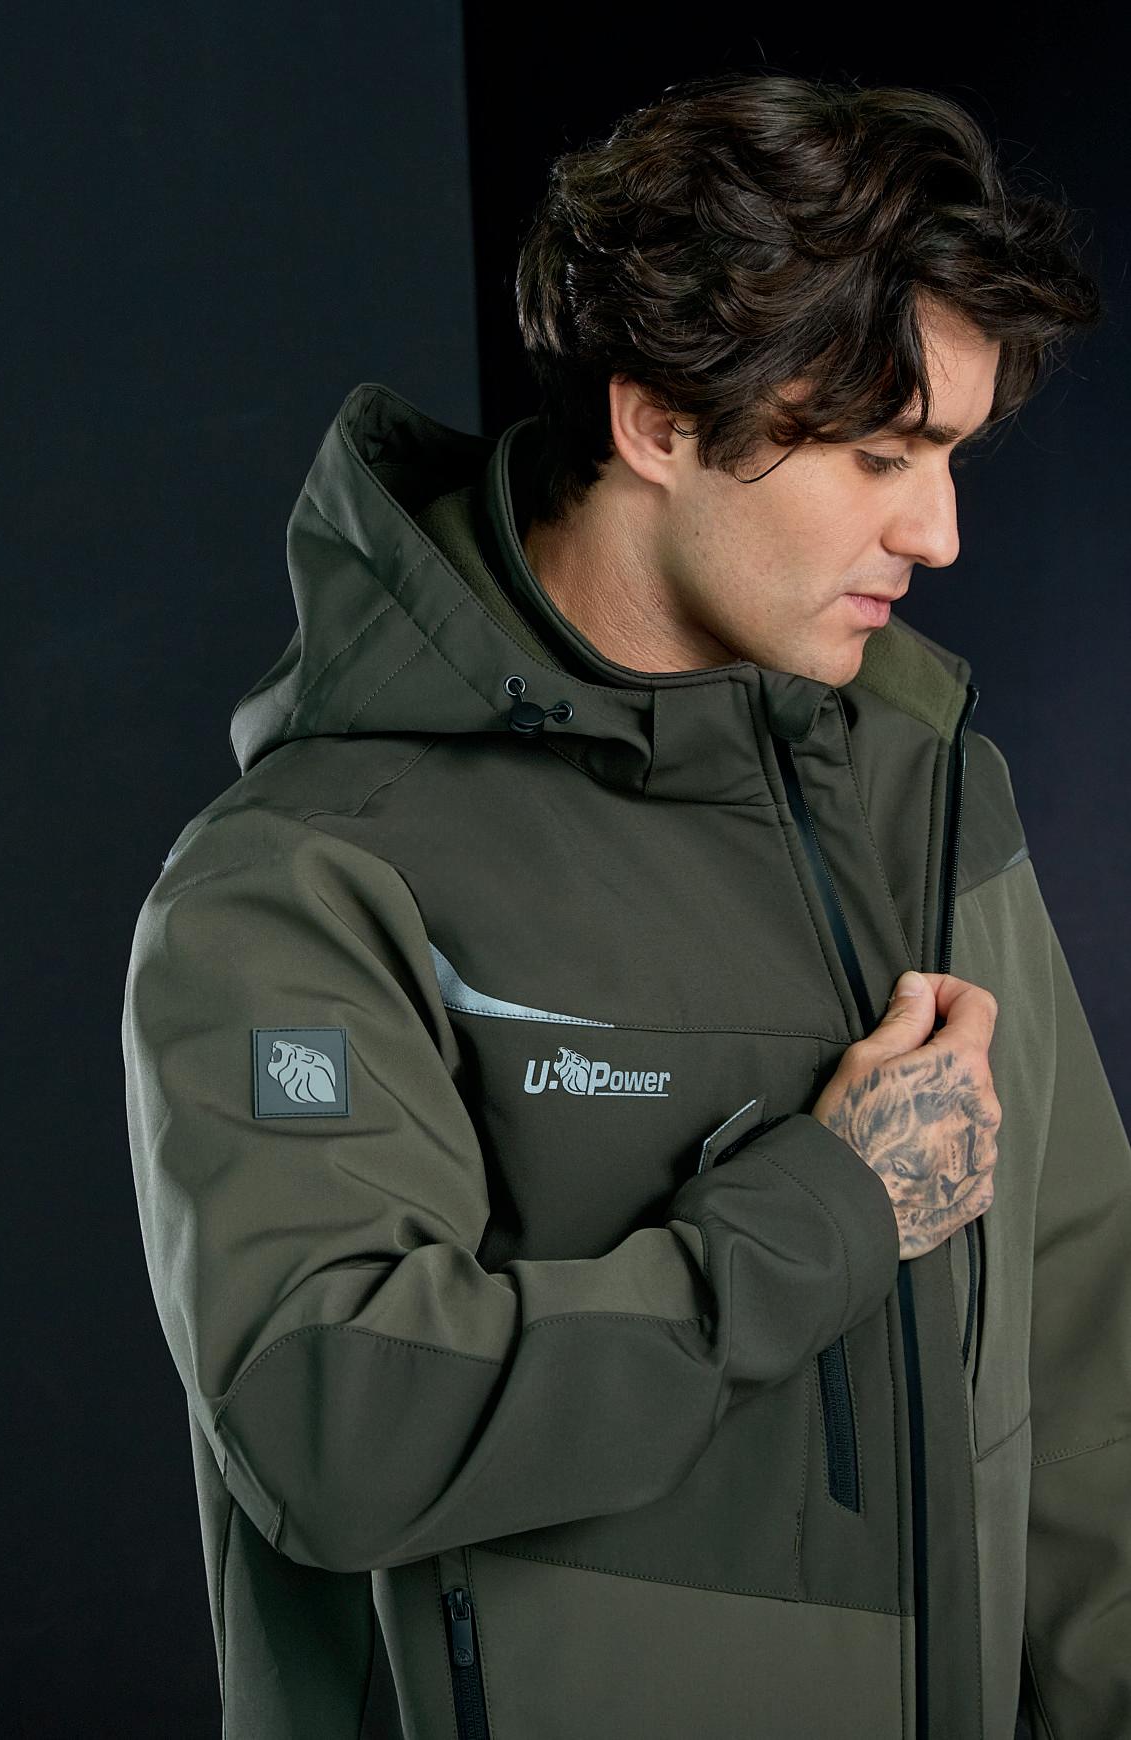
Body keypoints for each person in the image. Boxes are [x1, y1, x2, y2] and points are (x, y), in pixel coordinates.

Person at [121, 71, 1127, 1739]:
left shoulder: (926, 790)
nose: (942, 531)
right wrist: (824, 1212)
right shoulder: (304, 874)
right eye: (881, 453)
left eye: (950, 454)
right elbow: (330, 1425)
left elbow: (1090, 1362)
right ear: (658, 423)